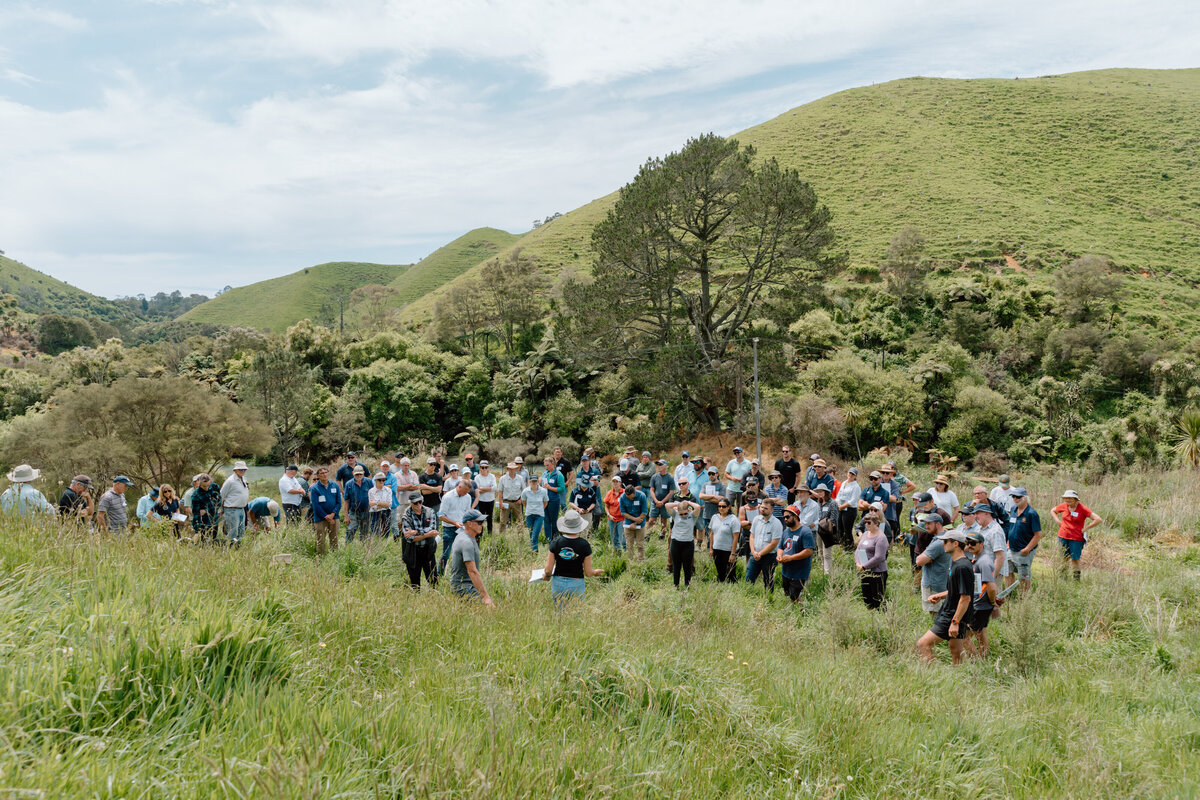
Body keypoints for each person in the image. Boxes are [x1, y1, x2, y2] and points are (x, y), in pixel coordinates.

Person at [917, 529, 975, 665]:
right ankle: (959, 679)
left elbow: (965, 598)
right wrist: (940, 595)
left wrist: (955, 623)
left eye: (945, 541)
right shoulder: (956, 563)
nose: (942, 544)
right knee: (955, 650)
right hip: (952, 613)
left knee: (923, 644)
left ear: (955, 544)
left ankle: (930, 677)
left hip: (952, 616)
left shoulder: (962, 567)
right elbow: (957, 590)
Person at [542, 509, 603, 604]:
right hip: (576, 583)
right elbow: (588, 572)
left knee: (558, 615)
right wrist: (595, 572)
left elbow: (548, 569)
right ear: (579, 526)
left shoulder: (556, 542)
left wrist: (547, 576)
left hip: (558, 583)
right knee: (575, 614)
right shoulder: (585, 545)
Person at [1051, 489, 1103, 581]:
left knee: (1075, 559)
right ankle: (1062, 578)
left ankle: (1076, 580)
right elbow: (1053, 511)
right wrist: (1057, 521)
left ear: (1075, 499)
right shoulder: (1064, 506)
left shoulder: (1082, 509)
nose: (1068, 500)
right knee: (1063, 557)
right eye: (1066, 498)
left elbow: (1098, 519)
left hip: (1076, 538)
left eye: (1070, 498)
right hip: (1063, 536)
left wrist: (1086, 528)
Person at [964, 530, 999, 657]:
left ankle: (975, 663)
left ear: (982, 544)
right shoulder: (978, 559)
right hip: (981, 605)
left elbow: (991, 586)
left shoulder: (984, 561)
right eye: (967, 542)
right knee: (981, 634)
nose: (969, 545)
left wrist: (992, 602)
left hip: (980, 606)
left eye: (973, 543)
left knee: (964, 637)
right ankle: (983, 661)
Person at [449, 508, 495, 606]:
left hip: (465, 586)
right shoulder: (467, 542)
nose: (482, 525)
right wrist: (485, 596)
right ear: (469, 523)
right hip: (464, 587)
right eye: (479, 522)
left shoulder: (463, 536)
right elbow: (472, 571)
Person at [914, 513, 953, 618]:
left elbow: (918, 561)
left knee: (935, 615)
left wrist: (925, 557)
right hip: (941, 581)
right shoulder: (945, 537)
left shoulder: (938, 542)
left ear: (938, 524)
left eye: (929, 524)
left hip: (934, 584)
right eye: (925, 524)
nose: (926, 527)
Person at [1005, 487, 1042, 592]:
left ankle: (1025, 598)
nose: (1015, 499)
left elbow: (1038, 535)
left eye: (1018, 497)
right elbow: (1011, 528)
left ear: (1025, 498)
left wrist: (1027, 549)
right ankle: (1009, 594)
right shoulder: (1013, 510)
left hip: (1023, 550)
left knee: (1024, 576)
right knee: (1007, 572)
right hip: (1010, 549)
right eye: (1013, 496)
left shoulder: (1031, 514)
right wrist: (1008, 543)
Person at [776, 505, 815, 603]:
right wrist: (779, 555)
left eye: (787, 517)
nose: (785, 519)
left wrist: (791, 558)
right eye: (784, 517)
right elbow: (781, 547)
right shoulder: (786, 531)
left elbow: (809, 551)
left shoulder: (805, 532)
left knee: (795, 597)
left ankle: (802, 614)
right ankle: (794, 613)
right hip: (786, 571)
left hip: (799, 572)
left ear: (795, 516)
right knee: (789, 595)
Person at [400, 495, 438, 589]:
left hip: (428, 549)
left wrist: (416, 532)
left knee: (434, 580)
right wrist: (426, 534)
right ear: (410, 503)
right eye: (415, 503)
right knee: (415, 582)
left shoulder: (430, 511)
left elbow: (433, 530)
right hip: (413, 551)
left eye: (420, 502)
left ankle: (434, 597)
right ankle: (416, 599)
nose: (418, 505)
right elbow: (410, 538)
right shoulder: (406, 516)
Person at [745, 497, 782, 594]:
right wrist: (753, 552)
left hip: (769, 556)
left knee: (768, 580)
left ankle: (769, 599)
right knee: (749, 578)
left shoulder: (777, 523)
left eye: (765, 508)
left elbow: (774, 543)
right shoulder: (756, 519)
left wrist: (760, 553)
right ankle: (747, 596)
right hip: (755, 554)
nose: (762, 509)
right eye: (761, 507)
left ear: (772, 510)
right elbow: (752, 536)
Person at [856, 508, 890, 609]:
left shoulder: (881, 538)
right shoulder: (866, 534)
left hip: (877, 572)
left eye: (869, 523)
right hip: (864, 571)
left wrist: (865, 566)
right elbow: (858, 549)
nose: (866, 525)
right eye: (865, 522)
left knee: (878, 599)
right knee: (867, 598)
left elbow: (879, 557)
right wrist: (858, 563)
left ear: (876, 523)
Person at [438, 478, 475, 573]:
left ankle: (460, 574)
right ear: (459, 487)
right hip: (449, 529)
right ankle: (439, 574)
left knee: (462, 553)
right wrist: (454, 523)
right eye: (465, 491)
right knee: (446, 554)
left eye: (468, 492)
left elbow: (467, 513)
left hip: (462, 529)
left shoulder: (467, 497)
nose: (466, 493)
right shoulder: (448, 497)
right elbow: (441, 516)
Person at [664, 495, 699, 589]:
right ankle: (676, 585)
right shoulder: (675, 514)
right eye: (681, 514)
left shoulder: (692, 516)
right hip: (676, 542)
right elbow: (667, 505)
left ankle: (687, 586)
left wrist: (687, 502)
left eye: (685, 514)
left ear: (688, 510)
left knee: (687, 567)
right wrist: (678, 504)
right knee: (676, 566)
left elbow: (698, 507)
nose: (683, 516)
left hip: (688, 543)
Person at [972, 503, 1007, 595]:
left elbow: (1000, 557)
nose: (975, 517)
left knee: (993, 603)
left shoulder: (995, 531)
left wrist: (991, 577)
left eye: (977, 513)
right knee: (979, 602)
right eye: (974, 514)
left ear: (987, 513)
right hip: (979, 572)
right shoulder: (979, 529)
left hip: (991, 574)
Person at [309, 466, 341, 555]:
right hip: (320, 519)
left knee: (334, 539)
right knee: (321, 540)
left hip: (334, 517)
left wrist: (332, 515)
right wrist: (326, 516)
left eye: (326, 472)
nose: (324, 474)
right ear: (318, 476)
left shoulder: (335, 485)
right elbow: (315, 505)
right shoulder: (315, 488)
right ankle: (321, 558)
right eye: (322, 473)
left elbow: (339, 502)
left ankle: (334, 556)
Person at [707, 497, 740, 583]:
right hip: (717, 549)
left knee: (730, 573)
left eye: (724, 506)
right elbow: (712, 533)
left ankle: (733, 590)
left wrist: (733, 554)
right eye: (719, 506)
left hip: (728, 550)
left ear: (729, 507)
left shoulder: (733, 519)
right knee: (720, 572)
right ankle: (721, 589)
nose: (721, 508)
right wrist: (711, 548)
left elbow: (736, 537)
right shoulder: (715, 517)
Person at [220, 461, 250, 545]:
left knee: (241, 532)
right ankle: (229, 549)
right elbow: (221, 495)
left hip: (241, 509)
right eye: (241, 469)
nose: (243, 471)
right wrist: (221, 510)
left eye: (244, 469)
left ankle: (239, 549)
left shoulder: (244, 479)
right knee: (232, 532)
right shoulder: (230, 481)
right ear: (235, 470)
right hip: (232, 510)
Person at [618, 480, 650, 561]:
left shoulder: (641, 496)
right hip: (628, 523)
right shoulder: (622, 497)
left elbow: (644, 512)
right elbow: (623, 513)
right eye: (628, 497)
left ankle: (641, 561)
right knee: (629, 545)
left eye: (631, 497)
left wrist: (636, 522)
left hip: (640, 523)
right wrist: (633, 520)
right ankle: (630, 562)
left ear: (634, 492)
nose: (629, 498)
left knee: (640, 545)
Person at [647, 458, 676, 540]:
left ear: (665, 466)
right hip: (655, 502)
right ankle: (648, 535)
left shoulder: (670, 478)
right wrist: (656, 501)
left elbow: (671, 492)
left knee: (664, 520)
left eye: (660, 464)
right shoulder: (654, 477)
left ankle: (662, 536)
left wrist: (662, 502)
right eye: (658, 465)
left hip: (665, 503)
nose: (658, 466)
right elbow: (651, 490)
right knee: (651, 520)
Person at [834, 467, 860, 552]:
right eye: (849, 473)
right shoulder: (844, 483)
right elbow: (839, 496)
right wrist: (838, 503)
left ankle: (849, 548)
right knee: (839, 529)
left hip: (849, 510)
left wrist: (842, 506)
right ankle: (843, 546)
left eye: (853, 474)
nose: (850, 475)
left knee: (847, 530)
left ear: (855, 476)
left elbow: (853, 500)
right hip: (840, 508)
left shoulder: (856, 487)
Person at [521, 474, 549, 552]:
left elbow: (545, 502)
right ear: (529, 482)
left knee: (535, 534)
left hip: (539, 515)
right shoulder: (525, 491)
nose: (534, 483)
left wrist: (540, 509)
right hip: (529, 514)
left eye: (535, 481)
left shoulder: (543, 491)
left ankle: (534, 552)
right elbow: (524, 502)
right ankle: (532, 549)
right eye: (532, 481)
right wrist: (529, 509)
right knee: (531, 533)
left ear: (538, 482)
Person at [541, 456, 566, 541]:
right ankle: (548, 539)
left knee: (554, 520)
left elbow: (562, 489)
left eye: (547, 465)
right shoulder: (545, 474)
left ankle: (555, 538)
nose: (546, 467)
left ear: (552, 464)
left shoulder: (559, 475)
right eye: (545, 465)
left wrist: (550, 487)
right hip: (544, 500)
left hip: (554, 500)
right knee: (546, 520)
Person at [191, 473, 221, 541]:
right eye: (204, 486)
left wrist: (206, 509)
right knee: (205, 542)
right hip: (204, 522)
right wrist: (197, 529)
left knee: (213, 540)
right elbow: (196, 513)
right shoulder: (196, 495)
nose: (207, 488)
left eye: (208, 485)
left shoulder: (215, 487)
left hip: (214, 519)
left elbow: (219, 502)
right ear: (199, 483)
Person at [473, 461, 497, 535]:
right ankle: (480, 534)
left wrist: (482, 488)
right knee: (481, 518)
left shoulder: (492, 476)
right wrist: (489, 488)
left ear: (488, 468)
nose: (484, 469)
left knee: (490, 518)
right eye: (482, 467)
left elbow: (495, 487)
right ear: (480, 468)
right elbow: (477, 490)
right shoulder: (477, 477)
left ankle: (490, 534)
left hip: (490, 500)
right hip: (481, 501)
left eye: (485, 467)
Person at [603, 476, 625, 551]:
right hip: (611, 519)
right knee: (614, 537)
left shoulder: (624, 493)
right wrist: (609, 515)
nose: (615, 483)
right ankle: (617, 552)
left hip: (622, 518)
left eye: (617, 482)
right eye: (614, 482)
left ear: (620, 483)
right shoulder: (609, 493)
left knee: (622, 538)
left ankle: (626, 552)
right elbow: (606, 506)